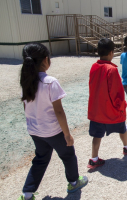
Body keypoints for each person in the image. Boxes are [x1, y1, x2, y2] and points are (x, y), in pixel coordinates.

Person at [18, 43, 88, 200]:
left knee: (40, 159)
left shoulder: (26, 82)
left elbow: (26, 107)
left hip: (35, 131)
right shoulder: (50, 82)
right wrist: (67, 134)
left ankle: (27, 193)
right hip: (53, 131)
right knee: (68, 155)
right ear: (45, 60)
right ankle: (74, 182)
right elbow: (58, 112)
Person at [87, 39, 127, 169]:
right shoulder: (112, 70)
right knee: (121, 128)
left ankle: (94, 159)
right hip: (111, 109)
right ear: (111, 52)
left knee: (96, 135)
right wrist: (121, 106)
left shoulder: (94, 67)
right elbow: (117, 92)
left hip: (97, 110)